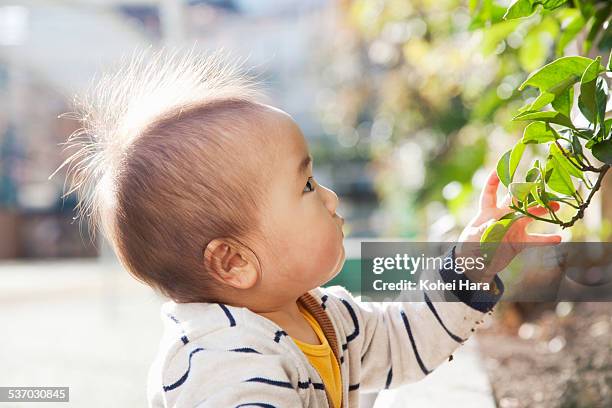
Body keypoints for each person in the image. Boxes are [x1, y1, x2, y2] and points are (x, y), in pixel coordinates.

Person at [55, 48, 562, 407]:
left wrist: (473, 263)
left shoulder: (324, 315)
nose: (331, 197)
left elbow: (407, 342)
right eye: (306, 187)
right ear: (234, 261)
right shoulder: (220, 361)